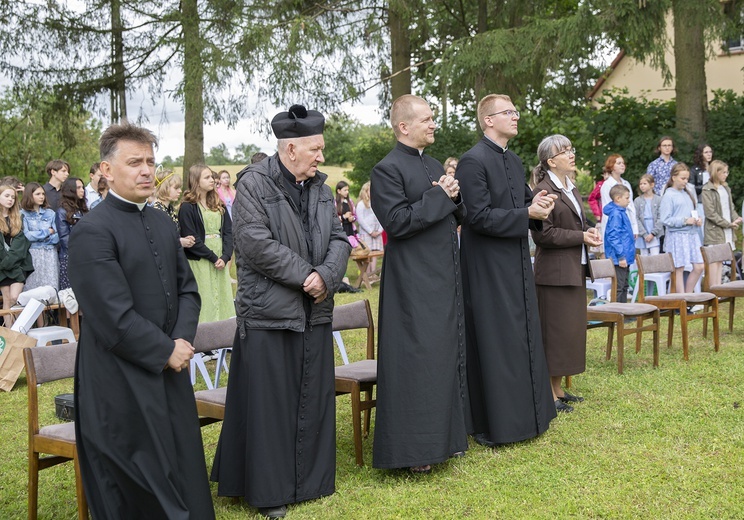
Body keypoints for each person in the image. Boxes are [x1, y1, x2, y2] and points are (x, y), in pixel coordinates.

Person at [68, 123, 215, 519]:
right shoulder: (92, 232)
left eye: (151, 161)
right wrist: (166, 349)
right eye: (135, 162)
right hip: (118, 378)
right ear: (106, 169)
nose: (147, 170)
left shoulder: (162, 223)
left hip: (169, 367)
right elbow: (112, 317)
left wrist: (180, 343)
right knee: (139, 482)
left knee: (182, 465)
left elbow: (188, 290)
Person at [211, 105, 350, 519]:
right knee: (270, 407)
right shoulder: (253, 184)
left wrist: (325, 275)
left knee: (313, 398)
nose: (321, 156)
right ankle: (268, 492)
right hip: (269, 313)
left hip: (315, 310)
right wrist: (306, 275)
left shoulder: (322, 188)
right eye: (316, 149)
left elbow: (340, 237)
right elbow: (253, 243)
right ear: (291, 148)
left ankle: (311, 482)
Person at [370, 94, 468, 473]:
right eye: (426, 119)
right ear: (403, 126)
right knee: (418, 359)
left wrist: (453, 195)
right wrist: (439, 195)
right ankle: (415, 451)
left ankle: (447, 439)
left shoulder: (431, 164)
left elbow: (455, 214)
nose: (433, 124)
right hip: (412, 281)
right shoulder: (386, 169)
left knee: (443, 355)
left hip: (444, 273)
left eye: (433, 118)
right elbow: (397, 222)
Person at [455, 93, 557, 447]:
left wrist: (539, 205)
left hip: (515, 260)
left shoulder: (513, 161)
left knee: (522, 333)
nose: (515, 117)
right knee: (494, 338)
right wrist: (526, 215)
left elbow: (523, 205)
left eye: (516, 111)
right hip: (486, 265)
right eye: (507, 112)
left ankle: (531, 414)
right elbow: (476, 216)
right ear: (488, 120)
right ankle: (495, 424)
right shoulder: (472, 162)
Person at [532, 134, 602, 413]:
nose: (572, 154)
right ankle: (548, 395)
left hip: (574, 268)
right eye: (565, 151)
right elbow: (543, 235)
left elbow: (576, 226)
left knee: (569, 333)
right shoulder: (544, 189)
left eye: (572, 149)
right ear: (551, 161)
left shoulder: (571, 187)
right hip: (554, 273)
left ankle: (558, 388)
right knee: (554, 333)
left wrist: (589, 232)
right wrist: (581, 236)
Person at [178, 164, 234, 323]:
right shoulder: (188, 207)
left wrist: (225, 256)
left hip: (220, 259)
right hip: (201, 260)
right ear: (196, 180)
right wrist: (213, 257)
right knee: (206, 297)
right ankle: (204, 341)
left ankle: (222, 340)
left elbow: (228, 232)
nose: (212, 180)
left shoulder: (218, 203)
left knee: (221, 297)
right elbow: (191, 237)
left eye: (212, 176)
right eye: (207, 177)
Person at [659, 163, 704, 293]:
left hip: (692, 234)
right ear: (674, 177)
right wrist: (685, 221)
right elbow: (665, 219)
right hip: (677, 236)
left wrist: (697, 219)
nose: (685, 181)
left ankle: (688, 296)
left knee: (699, 266)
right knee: (679, 268)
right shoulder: (669, 195)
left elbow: (692, 211)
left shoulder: (687, 193)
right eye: (682, 178)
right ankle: (681, 300)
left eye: (687, 179)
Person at [702, 160, 741, 286]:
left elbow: (731, 207)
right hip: (715, 231)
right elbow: (710, 213)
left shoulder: (726, 187)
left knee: (721, 260)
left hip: (726, 230)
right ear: (715, 172)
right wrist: (728, 224)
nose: (726, 174)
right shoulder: (707, 190)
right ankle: (714, 289)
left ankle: (719, 288)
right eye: (723, 172)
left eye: (727, 172)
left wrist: (736, 218)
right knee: (714, 261)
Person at [0, 182, 33, 326]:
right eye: (6, 196)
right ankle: (11, 335)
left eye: (12, 197)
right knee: (6, 299)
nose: (10, 199)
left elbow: (21, 245)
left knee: (15, 298)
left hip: (16, 265)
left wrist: (7, 263)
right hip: (2, 268)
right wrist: (4, 264)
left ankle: (20, 330)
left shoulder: (18, 218)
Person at [20, 182, 59, 291]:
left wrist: (40, 238)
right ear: (29, 195)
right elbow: (27, 236)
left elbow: (57, 236)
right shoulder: (22, 214)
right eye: (38, 194)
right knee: (32, 289)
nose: (42, 196)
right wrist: (47, 232)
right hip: (32, 254)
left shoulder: (50, 213)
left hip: (50, 253)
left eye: (43, 194)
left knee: (51, 289)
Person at [603, 184, 636, 303]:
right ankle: (617, 313)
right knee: (619, 286)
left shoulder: (621, 212)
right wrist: (621, 256)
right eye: (627, 198)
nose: (629, 201)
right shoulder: (616, 214)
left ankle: (624, 312)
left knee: (625, 285)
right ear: (618, 198)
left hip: (625, 256)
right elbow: (613, 236)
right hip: (619, 258)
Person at [152, 167, 196, 249]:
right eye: (176, 188)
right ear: (164, 188)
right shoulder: (156, 210)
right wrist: (180, 242)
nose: (180, 191)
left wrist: (183, 239)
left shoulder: (169, 208)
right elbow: (158, 240)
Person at [56, 177, 88, 290]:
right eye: (78, 187)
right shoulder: (62, 211)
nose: (82, 190)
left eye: (82, 187)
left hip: (87, 256)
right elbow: (65, 238)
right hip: (71, 258)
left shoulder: (84, 209)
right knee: (71, 297)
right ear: (71, 190)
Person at [600, 154, 638, 241]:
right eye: (619, 163)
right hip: (614, 224)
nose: (622, 165)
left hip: (627, 222)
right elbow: (607, 208)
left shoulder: (626, 183)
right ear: (612, 166)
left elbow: (631, 206)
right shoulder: (607, 185)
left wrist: (634, 227)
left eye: (623, 163)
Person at [355, 181, 383, 273]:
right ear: (365, 192)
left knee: (375, 253)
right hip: (367, 233)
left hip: (377, 232)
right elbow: (361, 220)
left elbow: (381, 217)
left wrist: (379, 230)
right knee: (368, 253)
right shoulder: (361, 204)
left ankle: (373, 273)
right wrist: (371, 231)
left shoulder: (377, 203)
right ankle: (367, 274)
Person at [634, 174, 663, 256]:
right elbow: (635, 217)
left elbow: (660, 217)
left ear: (652, 185)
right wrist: (644, 234)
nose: (642, 186)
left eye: (644, 183)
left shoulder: (658, 199)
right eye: (640, 184)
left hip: (654, 231)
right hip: (643, 230)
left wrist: (653, 233)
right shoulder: (637, 200)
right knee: (644, 256)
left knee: (655, 255)